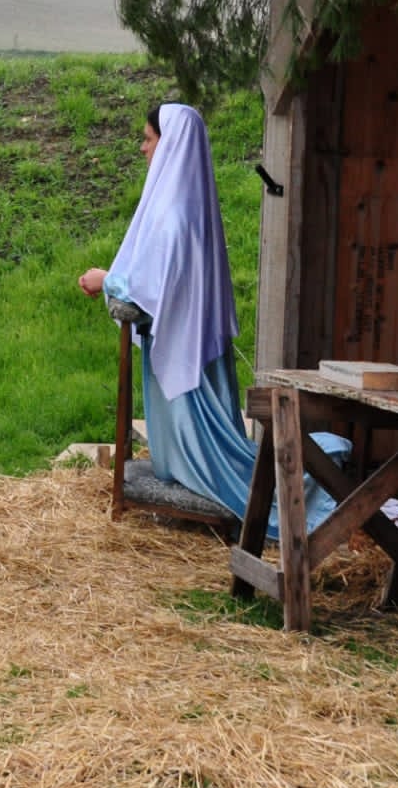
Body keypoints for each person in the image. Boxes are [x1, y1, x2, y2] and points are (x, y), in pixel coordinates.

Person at [80, 104, 342, 531]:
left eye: (149, 138)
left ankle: (305, 482)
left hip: (184, 358)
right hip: (193, 347)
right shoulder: (191, 208)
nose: (143, 148)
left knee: (205, 461)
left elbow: (150, 291)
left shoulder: (173, 217)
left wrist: (106, 280)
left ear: (171, 146)